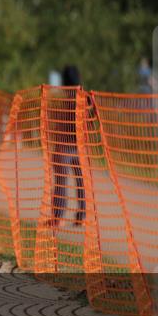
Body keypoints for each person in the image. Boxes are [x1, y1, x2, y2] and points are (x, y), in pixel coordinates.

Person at [50, 64, 86, 227]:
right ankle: (82, 214)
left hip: (65, 145)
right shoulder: (83, 97)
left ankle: (57, 217)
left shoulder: (66, 98)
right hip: (80, 145)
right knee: (81, 181)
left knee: (61, 181)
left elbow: (60, 122)